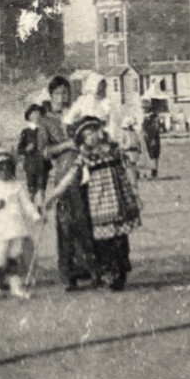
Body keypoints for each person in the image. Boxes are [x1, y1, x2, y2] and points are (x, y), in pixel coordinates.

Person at [62, 115, 143, 291]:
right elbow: (70, 177)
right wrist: (54, 196)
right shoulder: (85, 156)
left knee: (120, 238)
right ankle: (109, 272)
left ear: (100, 132)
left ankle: (121, 271)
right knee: (104, 240)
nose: (91, 137)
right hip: (100, 202)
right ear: (82, 139)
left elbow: (129, 169)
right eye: (86, 135)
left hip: (120, 198)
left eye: (93, 132)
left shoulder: (114, 149)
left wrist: (135, 193)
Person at [38, 73, 97, 290]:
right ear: (51, 95)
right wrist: (66, 145)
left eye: (65, 93)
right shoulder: (45, 121)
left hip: (85, 172)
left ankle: (90, 269)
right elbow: (43, 152)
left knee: (86, 221)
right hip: (63, 176)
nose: (62, 97)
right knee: (66, 224)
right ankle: (68, 274)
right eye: (58, 93)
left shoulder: (78, 115)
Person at [0, 150, 42, 300]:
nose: (4, 171)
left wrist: (36, 216)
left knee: (14, 257)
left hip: (15, 227)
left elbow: (26, 205)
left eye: (7, 167)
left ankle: (16, 287)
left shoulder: (17, 186)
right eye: (0, 168)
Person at [65, 72, 118, 140]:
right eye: (100, 87)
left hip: (102, 135)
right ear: (93, 87)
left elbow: (111, 124)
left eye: (104, 87)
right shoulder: (83, 101)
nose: (102, 90)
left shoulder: (108, 103)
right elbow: (69, 118)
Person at [16, 93, 49, 199]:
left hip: (43, 164)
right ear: (29, 116)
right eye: (33, 114)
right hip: (30, 164)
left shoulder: (45, 130)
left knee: (42, 189)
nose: (36, 116)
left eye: (38, 114)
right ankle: (31, 210)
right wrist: (26, 149)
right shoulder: (25, 132)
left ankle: (40, 211)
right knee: (31, 190)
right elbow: (19, 149)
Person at [140, 97, 165, 178]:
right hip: (148, 138)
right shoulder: (148, 117)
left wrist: (151, 137)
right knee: (151, 155)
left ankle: (154, 172)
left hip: (152, 138)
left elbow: (154, 128)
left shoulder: (153, 117)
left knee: (153, 155)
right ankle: (152, 170)